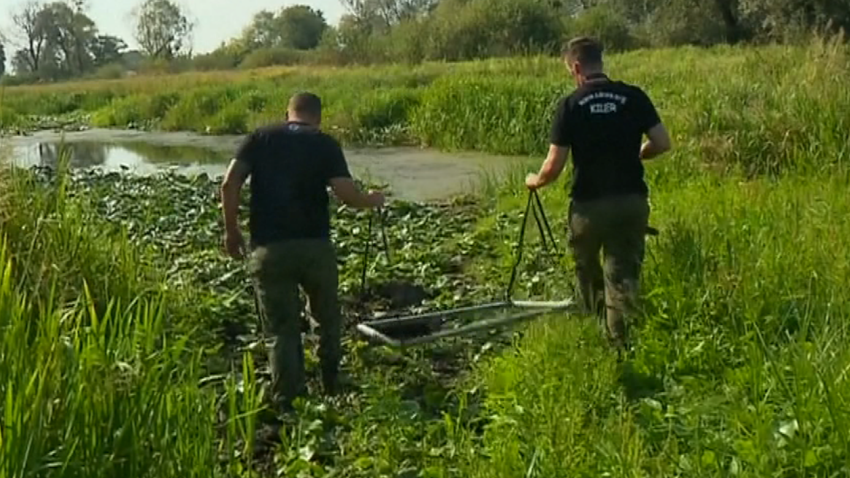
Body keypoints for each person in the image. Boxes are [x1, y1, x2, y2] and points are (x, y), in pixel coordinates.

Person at [220, 91, 385, 411]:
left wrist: (231, 230)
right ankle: (331, 382)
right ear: (318, 117)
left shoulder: (259, 138)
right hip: (315, 248)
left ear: (287, 114)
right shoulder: (325, 143)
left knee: (281, 330)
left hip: (270, 250)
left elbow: (230, 184)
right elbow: (346, 194)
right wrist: (371, 200)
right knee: (326, 317)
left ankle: (289, 401)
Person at [525, 37, 672, 349]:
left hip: (589, 207)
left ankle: (595, 329)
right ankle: (622, 344)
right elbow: (662, 142)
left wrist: (535, 181)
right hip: (631, 201)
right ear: (600, 63)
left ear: (577, 67)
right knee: (622, 274)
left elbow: (554, 165)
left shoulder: (570, 105)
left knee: (587, 268)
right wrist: (640, 154)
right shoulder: (633, 97)